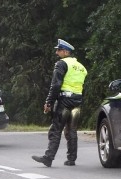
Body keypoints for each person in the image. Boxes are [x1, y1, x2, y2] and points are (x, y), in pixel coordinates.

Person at [32, 39, 88, 167]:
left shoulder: (62, 64)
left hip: (64, 101)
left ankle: (48, 157)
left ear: (66, 51)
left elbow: (56, 85)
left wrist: (48, 102)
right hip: (77, 101)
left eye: (59, 50)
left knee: (56, 129)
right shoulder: (81, 67)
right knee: (71, 130)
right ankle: (71, 159)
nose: (57, 52)